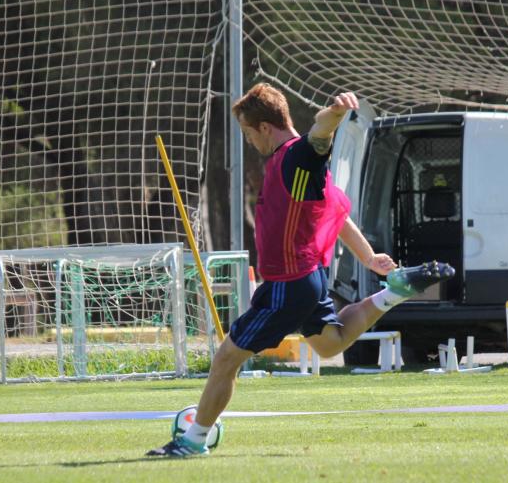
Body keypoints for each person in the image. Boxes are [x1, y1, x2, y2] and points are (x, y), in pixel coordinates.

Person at [147, 83, 454, 457]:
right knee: (331, 343)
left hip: (288, 284)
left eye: (247, 132)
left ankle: (193, 441)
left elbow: (319, 134)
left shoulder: (297, 157)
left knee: (226, 357)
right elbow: (336, 217)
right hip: (307, 278)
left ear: (264, 127)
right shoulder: (290, 168)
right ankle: (395, 291)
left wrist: (336, 113)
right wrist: (370, 258)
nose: (248, 141)